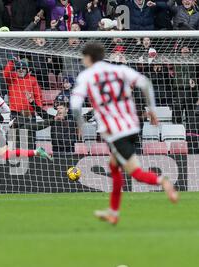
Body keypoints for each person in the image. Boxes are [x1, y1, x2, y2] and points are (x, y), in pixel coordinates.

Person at [70, 42, 178, 225]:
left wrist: (79, 124)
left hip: (114, 131)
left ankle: (163, 181)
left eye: (83, 57)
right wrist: (151, 109)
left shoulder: (86, 76)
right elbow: (145, 83)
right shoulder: (119, 70)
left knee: (135, 173)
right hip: (132, 125)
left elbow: (74, 105)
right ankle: (113, 212)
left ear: (88, 58)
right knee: (113, 166)